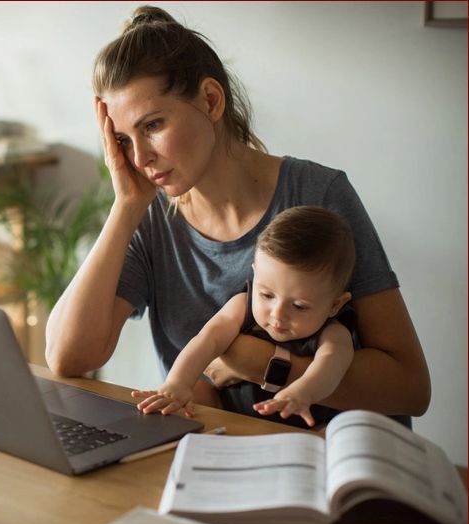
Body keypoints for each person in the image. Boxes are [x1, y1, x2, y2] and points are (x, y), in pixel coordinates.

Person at [44, 5, 430, 426]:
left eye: (152, 125)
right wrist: (125, 207)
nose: (139, 158)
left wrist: (259, 362)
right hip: (214, 462)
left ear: (211, 100)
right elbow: (67, 357)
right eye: (122, 139)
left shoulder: (319, 194)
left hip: (329, 463)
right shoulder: (148, 216)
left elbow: (410, 388)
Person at [133, 206, 356, 428]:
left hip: (292, 428)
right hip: (226, 412)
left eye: (299, 306)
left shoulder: (334, 333)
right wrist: (177, 382)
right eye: (267, 294)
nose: (277, 314)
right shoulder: (242, 305)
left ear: (335, 305)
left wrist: (301, 394)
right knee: (195, 392)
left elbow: (330, 369)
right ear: (254, 274)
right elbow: (208, 338)